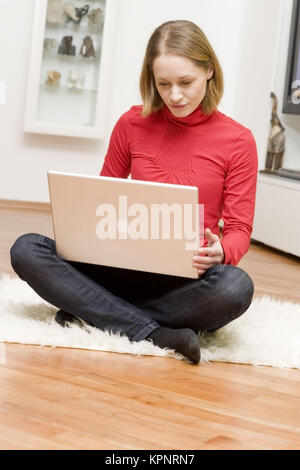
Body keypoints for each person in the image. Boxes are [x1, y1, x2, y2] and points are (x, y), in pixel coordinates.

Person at [10, 20, 258, 365]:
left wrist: (223, 251)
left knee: (236, 287)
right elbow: (98, 197)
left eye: (186, 82)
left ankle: (94, 311)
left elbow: (239, 230)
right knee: (26, 249)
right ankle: (155, 332)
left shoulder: (239, 140)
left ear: (210, 71)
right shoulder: (131, 124)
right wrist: (83, 231)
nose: (174, 95)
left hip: (184, 278)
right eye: (163, 84)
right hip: (119, 268)